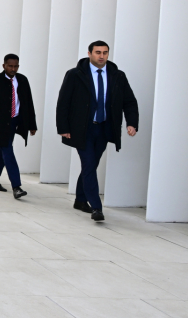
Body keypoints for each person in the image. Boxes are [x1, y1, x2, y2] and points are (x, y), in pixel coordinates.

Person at [56, 40, 139, 222]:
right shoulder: (75, 75)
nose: (101, 56)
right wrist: (63, 128)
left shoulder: (117, 76)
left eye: (105, 53)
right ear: (89, 53)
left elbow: (129, 101)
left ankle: (79, 199)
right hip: (81, 129)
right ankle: (96, 207)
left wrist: (131, 123)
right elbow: (63, 102)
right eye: (98, 52)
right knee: (88, 164)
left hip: (104, 128)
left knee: (90, 165)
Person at [0, 54, 38, 199]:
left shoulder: (22, 80)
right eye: (10, 66)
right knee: (8, 150)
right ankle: (16, 186)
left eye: (16, 66)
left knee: (3, 150)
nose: (13, 69)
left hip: (15, 121)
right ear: (4, 66)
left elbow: (29, 103)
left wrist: (32, 124)